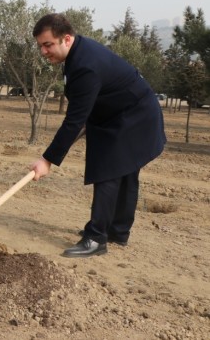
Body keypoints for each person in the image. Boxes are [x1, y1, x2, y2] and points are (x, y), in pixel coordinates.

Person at [30, 13, 166, 258]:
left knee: (109, 170)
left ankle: (96, 238)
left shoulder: (85, 66)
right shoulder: (79, 53)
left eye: (48, 44)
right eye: (40, 45)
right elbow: (84, 115)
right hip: (123, 114)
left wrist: (47, 160)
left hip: (135, 116)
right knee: (123, 172)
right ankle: (117, 231)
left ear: (66, 39)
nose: (43, 51)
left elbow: (75, 120)